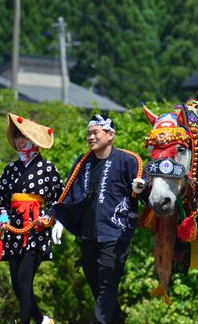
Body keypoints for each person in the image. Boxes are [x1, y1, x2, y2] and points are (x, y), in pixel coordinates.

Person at [51, 114, 146, 324]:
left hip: (116, 233)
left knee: (107, 281)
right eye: (89, 133)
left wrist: (141, 188)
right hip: (88, 233)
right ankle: (117, 319)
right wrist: (59, 219)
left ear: (110, 135)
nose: (91, 137)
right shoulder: (83, 162)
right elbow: (70, 191)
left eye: (96, 133)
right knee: (96, 283)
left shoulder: (128, 160)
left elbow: (145, 192)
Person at [0, 113, 63, 324]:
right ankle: (42, 320)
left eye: (25, 137)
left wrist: (48, 218)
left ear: (35, 141)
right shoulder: (10, 169)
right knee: (16, 283)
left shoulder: (48, 169)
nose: (21, 141)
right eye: (18, 136)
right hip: (13, 229)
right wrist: (2, 215)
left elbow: (58, 200)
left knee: (24, 281)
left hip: (36, 230)